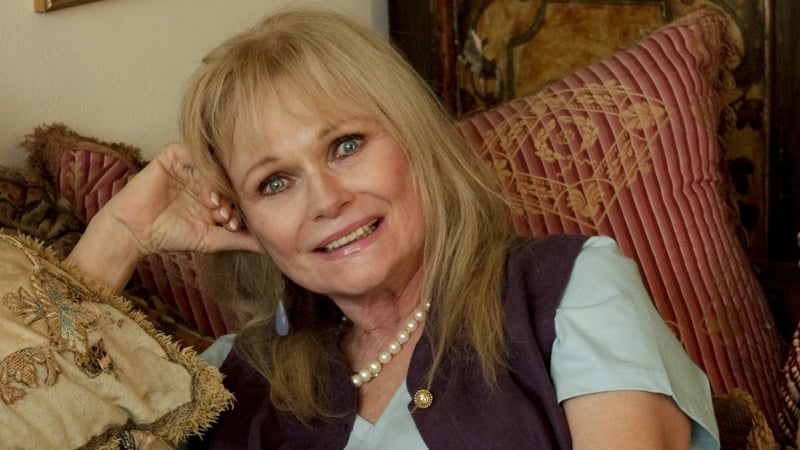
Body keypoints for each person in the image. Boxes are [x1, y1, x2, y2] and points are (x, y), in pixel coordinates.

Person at [67, 7, 719, 450]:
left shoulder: (569, 290)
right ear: (244, 219)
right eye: (275, 182)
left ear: (414, 142)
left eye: (346, 145)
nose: (325, 199)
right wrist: (121, 237)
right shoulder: (225, 380)